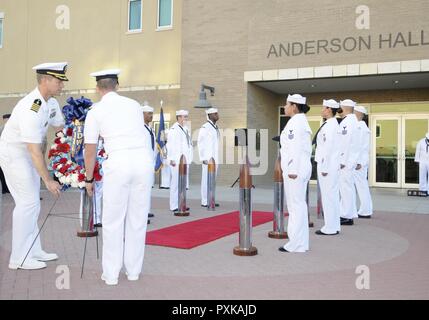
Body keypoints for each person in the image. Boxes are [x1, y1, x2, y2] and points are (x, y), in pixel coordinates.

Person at [84, 69, 153, 285]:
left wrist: (88, 178)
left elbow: (90, 148)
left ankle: (111, 274)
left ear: (98, 88)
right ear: (118, 85)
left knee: (113, 221)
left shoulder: (96, 110)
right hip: (143, 163)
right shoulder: (134, 105)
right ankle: (133, 272)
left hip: (119, 164)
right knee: (137, 220)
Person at [0, 62, 66, 270]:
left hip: (28, 155)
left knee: (32, 205)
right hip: (15, 155)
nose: (62, 85)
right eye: (58, 81)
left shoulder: (51, 103)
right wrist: (48, 179)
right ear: (45, 80)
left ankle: (33, 250)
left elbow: (60, 127)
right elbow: (33, 149)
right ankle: (18, 258)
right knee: (27, 204)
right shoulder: (32, 107)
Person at [279, 94, 312, 253]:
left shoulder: (295, 124)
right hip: (300, 169)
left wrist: (292, 170)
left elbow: (295, 149)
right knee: (299, 205)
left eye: (287, 104)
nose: (284, 107)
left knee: (295, 207)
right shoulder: (301, 122)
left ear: (294, 106)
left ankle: (295, 244)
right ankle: (301, 243)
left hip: (295, 171)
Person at [314, 99, 341, 235]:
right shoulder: (331, 124)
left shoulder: (330, 126)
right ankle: (334, 225)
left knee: (328, 196)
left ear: (329, 109)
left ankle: (330, 227)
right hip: (331, 165)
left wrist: (324, 167)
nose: (322, 110)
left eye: (324, 108)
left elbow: (328, 148)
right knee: (333, 196)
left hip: (327, 166)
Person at [338, 99, 360, 226]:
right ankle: (349, 214)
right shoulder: (353, 121)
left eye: (340, 106)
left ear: (344, 108)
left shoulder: (347, 122)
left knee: (345, 188)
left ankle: (346, 215)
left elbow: (345, 143)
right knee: (348, 188)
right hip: (349, 160)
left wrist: (341, 161)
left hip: (345, 162)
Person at [167, 110, 193, 213]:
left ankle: (181, 203)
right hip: (176, 160)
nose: (186, 119)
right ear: (178, 118)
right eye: (184, 117)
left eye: (186, 117)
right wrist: (171, 159)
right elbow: (170, 145)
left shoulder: (185, 129)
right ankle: (173, 205)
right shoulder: (174, 129)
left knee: (183, 184)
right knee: (175, 184)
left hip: (185, 160)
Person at [198, 107, 220, 208]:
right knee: (206, 180)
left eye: (217, 113)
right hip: (208, 158)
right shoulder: (205, 127)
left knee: (213, 180)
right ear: (210, 115)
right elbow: (200, 143)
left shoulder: (215, 127)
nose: (217, 115)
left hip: (215, 158)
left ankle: (211, 198)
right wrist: (203, 158)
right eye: (215, 114)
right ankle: (204, 200)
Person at [353, 106, 373, 218]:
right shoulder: (360, 126)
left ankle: (366, 210)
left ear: (359, 114)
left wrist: (360, 162)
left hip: (359, 162)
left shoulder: (361, 127)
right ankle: (365, 209)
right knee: (361, 186)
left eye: (354, 112)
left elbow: (362, 147)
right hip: (358, 161)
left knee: (361, 186)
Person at [142, 104, 156, 220]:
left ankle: (147, 210)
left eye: (152, 114)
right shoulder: (139, 128)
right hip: (143, 162)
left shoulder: (150, 129)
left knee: (148, 187)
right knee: (142, 189)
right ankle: (142, 213)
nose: (151, 116)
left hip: (150, 162)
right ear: (142, 115)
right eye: (149, 114)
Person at [0, 114, 11, 194]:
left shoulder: (14, 129)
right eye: (5, 120)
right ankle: (4, 189)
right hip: (2, 154)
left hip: (11, 154)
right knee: (2, 173)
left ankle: (9, 188)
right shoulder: (1, 129)